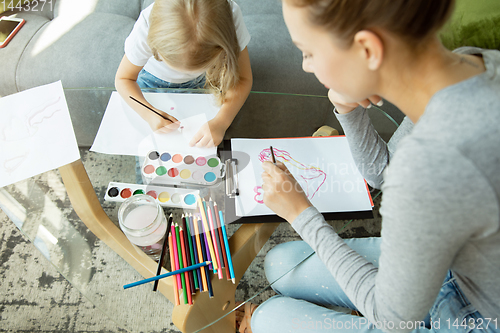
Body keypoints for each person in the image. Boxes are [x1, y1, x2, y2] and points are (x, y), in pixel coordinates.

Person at [236, 0, 500, 332]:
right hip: (462, 266)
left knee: (266, 317)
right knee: (279, 265)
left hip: (478, 318)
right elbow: (383, 172)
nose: (305, 66)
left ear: (367, 48)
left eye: (308, 52)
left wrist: (300, 213)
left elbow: (394, 319)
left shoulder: (428, 169)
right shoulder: (471, 64)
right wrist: (347, 109)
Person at [115, 0, 252, 147]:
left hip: (206, 79)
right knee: (152, 145)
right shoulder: (146, 25)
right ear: (156, 47)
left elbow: (243, 78)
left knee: (201, 139)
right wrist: (148, 114)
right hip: (152, 79)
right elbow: (123, 79)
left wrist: (221, 122)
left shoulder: (230, 16)